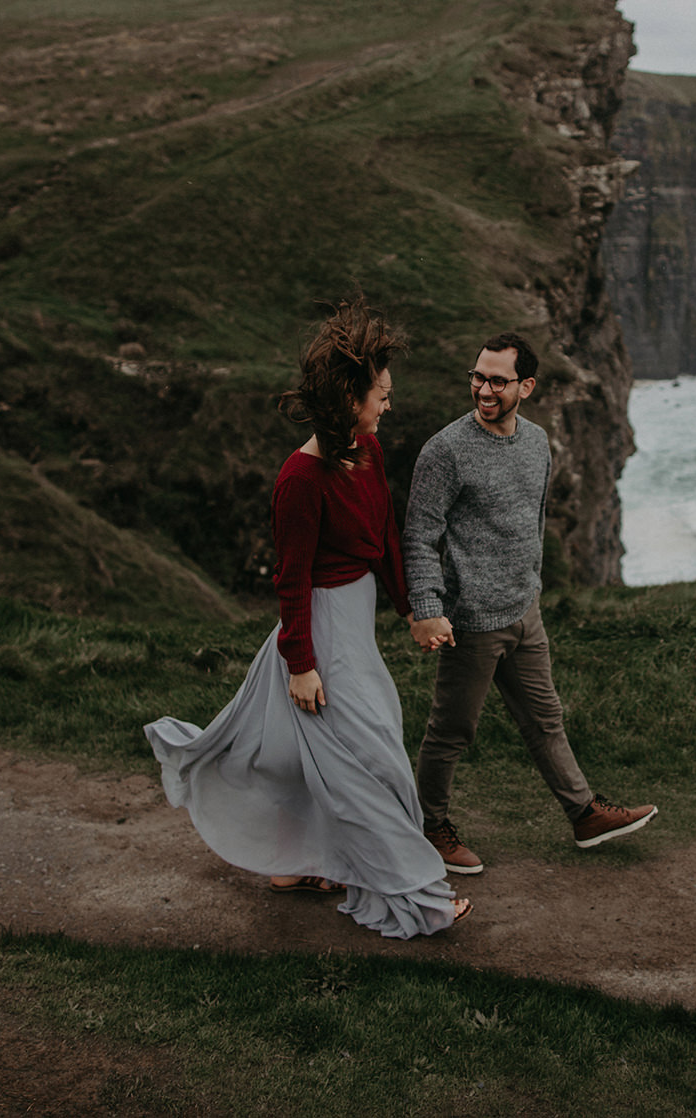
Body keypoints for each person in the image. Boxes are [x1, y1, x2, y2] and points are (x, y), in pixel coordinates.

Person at [144, 301, 469, 938]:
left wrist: (413, 613)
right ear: (350, 397)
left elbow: (384, 537)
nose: (388, 407)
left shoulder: (369, 453)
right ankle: (415, 894)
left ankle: (297, 864)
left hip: (353, 628)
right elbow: (290, 578)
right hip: (319, 634)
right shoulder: (300, 479)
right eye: (381, 395)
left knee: (313, 754)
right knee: (368, 762)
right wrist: (302, 665)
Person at [403, 330, 656, 875]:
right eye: (478, 377)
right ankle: (430, 829)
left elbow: (531, 523)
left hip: (525, 612)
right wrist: (428, 607)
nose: (484, 389)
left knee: (546, 720)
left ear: (527, 386)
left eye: (498, 380)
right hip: (470, 622)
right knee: (451, 732)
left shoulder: (538, 442)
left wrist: (531, 585)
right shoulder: (444, 451)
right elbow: (419, 536)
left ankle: (584, 813)